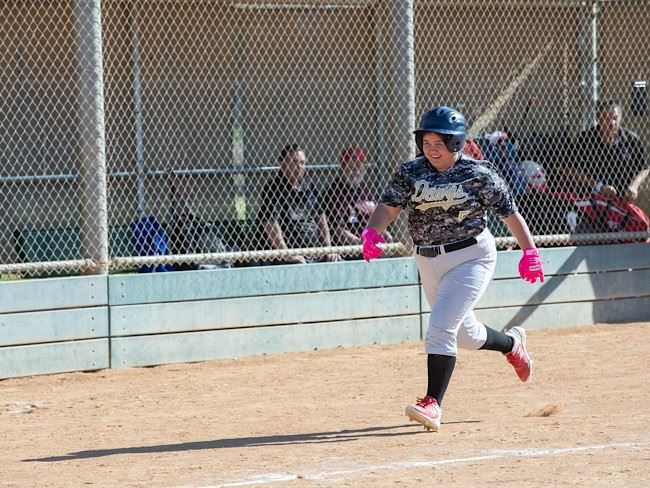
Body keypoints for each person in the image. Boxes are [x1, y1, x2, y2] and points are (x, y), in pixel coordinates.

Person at [361, 106, 544, 432]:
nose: (431, 150)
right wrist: (373, 232)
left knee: (441, 326)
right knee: (464, 334)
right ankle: (512, 344)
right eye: (426, 142)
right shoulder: (411, 171)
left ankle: (432, 403)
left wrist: (529, 252)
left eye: (439, 144)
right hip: (427, 259)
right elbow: (388, 208)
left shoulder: (478, 173)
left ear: (456, 144)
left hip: (471, 256)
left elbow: (510, 213)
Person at [257, 144, 340, 264]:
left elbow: (321, 219)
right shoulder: (274, 188)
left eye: (302, 163)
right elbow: (269, 223)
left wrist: (328, 248)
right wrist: (287, 254)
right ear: (282, 163)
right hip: (290, 251)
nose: (299, 166)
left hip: (314, 250)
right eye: (294, 162)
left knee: (336, 260)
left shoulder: (309, 187)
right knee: (298, 264)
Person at [567, 100, 649, 203]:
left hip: (622, 199)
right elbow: (572, 169)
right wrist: (599, 186)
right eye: (606, 118)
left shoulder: (631, 139)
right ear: (598, 119)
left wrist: (634, 185)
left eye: (615, 118)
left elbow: (644, 167)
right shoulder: (586, 139)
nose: (611, 123)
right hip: (593, 199)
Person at [322, 146, 390, 250]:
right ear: (343, 168)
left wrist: (385, 234)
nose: (355, 171)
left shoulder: (366, 191)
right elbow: (338, 231)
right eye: (351, 167)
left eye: (358, 166)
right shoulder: (334, 193)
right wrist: (360, 244)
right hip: (351, 250)